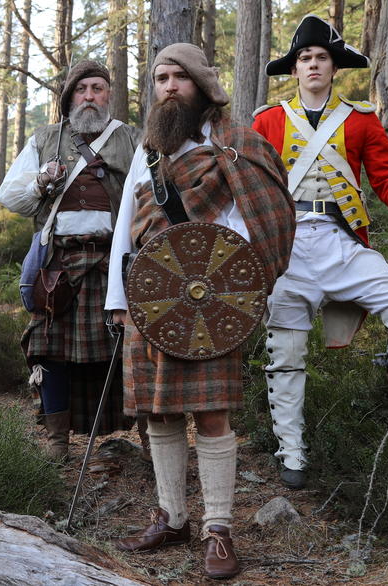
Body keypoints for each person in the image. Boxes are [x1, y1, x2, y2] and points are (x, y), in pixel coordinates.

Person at [105, 43, 295, 580]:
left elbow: (262, 225)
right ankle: (171, 515)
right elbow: (125, 231)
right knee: (158, 412)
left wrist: (235, 291)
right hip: (151, 301)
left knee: (212, 415)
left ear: (203, 86)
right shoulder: (146, 154)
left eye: (179, 77)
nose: (168, 86)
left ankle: (218, 529)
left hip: (212, 306)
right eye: (160, 77)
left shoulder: (237, 147)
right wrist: (119, 303)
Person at [252, 14, 388, 490]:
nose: (313, 65)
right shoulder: (267, 120)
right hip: (288, 249)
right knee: (286, 350)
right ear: (293, 70)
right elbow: (249, 186)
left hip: (342, 245)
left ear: (334, 67)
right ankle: (291, 449)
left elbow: (386, 176)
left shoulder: (361, 119)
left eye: (321, 58)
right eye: (305, 59)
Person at [0, 61, 144, 460]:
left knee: (120, 350)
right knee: (49, 349)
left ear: (109, 95)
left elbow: (152, 195)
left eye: (98, 88)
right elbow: (10, 197)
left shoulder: (132, 139)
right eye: (82, 89)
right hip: (56, 264)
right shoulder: (44, 139)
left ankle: (136, 440)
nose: (90, 96)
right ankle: (57, 441)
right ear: (70, 97)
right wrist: (41, 182)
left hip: (114, 263)